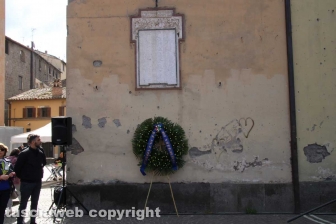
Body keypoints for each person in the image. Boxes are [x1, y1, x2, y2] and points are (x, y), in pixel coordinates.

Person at [14, 134, 46, 224]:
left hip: (37, 181)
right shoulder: (24, 153)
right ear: (33, 142)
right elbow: (17, 168)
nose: (40, 141)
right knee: (23, 203)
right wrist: (24, 176)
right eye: (38, 140)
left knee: (35, 202)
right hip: (27, 182)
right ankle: (20, 221)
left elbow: (44, 162)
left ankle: (33, 221)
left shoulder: (41, 151)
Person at [0, 143, 15, 224]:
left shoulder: (7, 161)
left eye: (2, 149)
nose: (0, 151)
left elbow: (12, 171)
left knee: (2, 210)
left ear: (5, 151)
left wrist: (11, 174)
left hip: (6, 188)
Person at [6, 148, 21, 214]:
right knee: (20, 193)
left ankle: (9, 209)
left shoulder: (7, 159)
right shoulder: (18, 159)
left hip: (9, 179)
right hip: (18, 179)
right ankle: (21, 208)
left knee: (8, 195)